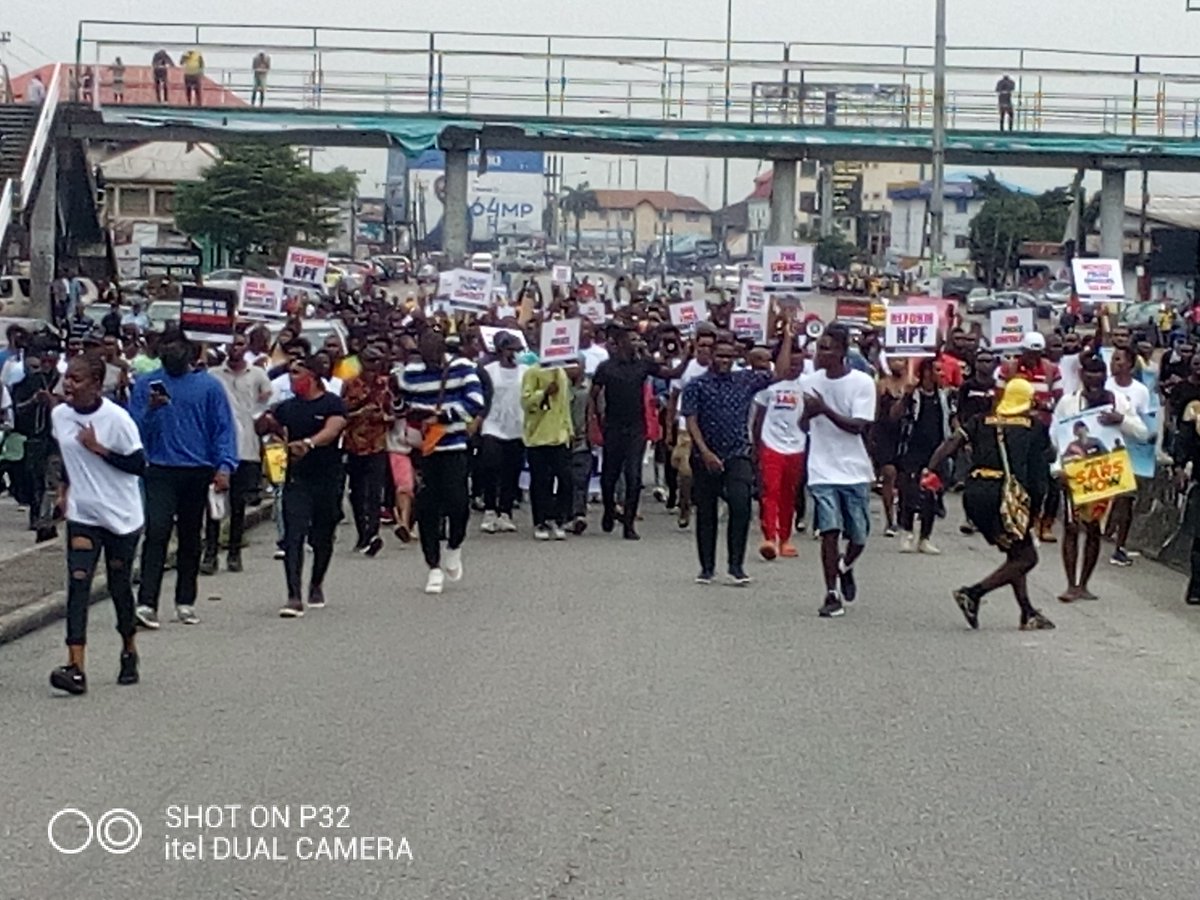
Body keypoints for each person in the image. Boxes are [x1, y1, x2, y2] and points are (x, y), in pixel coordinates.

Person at [48, 353, 146, 695]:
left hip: (121, 516)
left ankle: (129, 649)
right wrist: (63, 491)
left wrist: (98, 448)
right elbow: (67, 456)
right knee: (78, 584)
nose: (68, 385)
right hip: (83, 514)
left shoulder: (117, 419)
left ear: (96, 383)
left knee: (119, 586)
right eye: (67, 378)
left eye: (76, 379)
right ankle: (76, 667)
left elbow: (139, 464)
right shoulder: (60, 415)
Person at [926, 379, 1055, 631]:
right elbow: (1047, 456)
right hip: (1005, 498)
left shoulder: (981, 420)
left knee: (1016, 553)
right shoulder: (1033, 426)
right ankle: (973, 593)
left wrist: (929, 470)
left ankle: (1027, 612)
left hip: (975, 494)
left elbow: (951, 443)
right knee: (1027, 558)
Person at [129, 330, 237, 629]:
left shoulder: (209, 387)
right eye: (165, 348)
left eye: (176, 347)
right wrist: (151, 409)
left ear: (189, 352)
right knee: (157, 532)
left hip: (197, 470)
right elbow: (133, 429)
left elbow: (222, 428)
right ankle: (147, 603)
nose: (171, 353)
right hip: (159, 469)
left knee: (191, 536)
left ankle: (185, 601)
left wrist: (224, 466)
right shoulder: (145, 385)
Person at [683, 326, 792, 584]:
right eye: (720, 355)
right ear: (710, 356)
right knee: (707, 512)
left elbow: (780, 373)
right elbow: (691, 420)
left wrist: (787, 337)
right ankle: (707, 567)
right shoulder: (696, 385)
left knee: (741, 505)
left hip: (737, 453)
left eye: (729, 357)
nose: (724, 361)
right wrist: (705, 452)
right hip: (705, 455)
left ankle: (736, 566)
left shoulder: (744, 380)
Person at [395, 328, 485, 595]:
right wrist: (404, 406)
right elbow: (400, 404)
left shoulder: (463, 369)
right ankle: (433, 566)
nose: (429, 358)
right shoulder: (411, 373)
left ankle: (455, 546)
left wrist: (443, 417)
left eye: (433, 352)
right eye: (424, 353)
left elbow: (475, 403)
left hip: (453, 446)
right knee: (427, 510)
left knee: (458, 503)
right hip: (424, 451)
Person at [1051, 355, 1147, 602]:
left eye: (1099, 374)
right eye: (1089, 374)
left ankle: (1084, 584)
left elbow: (1142, 432)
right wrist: (1058, 468)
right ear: (1081, 375)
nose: (1094, 380)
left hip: (1103, 473)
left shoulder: (1118, 401)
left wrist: (1121, 419)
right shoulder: (1068, 403)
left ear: (1105, 376)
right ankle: (1071, 584)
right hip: (1074, 472)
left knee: (1094, 529)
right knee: (1071, 527)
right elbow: (1056, 435)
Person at [259, 356, 347, 617]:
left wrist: (309, 443)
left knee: (323, 535)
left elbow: (333, 429)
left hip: (327, 478)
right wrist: (265, 423)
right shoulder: (287, 407)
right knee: (293, 535)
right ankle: (293, 595)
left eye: (297, 373)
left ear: (313, 376)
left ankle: (316, 583)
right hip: (296, 479)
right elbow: (269, 427)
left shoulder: (332, 403)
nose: (292, 378)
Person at [800, 325, 877, 618]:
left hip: (853, 468)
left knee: (859, 535)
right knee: (829, 530)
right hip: (821, 468)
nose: (820, 354)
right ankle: (831, 594)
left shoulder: (861, 382)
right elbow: (803, 425)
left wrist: (824, 410)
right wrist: (807, 414)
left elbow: (858, 426)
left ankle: (845, 567)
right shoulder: (810, 382)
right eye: (818, 348)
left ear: (842, 352)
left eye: (827, 348)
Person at [202, 334, 272, 575]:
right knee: (214, 505)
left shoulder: (258, 375)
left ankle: (234, 553)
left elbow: (267, 404)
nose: (235, 348)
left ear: (246, 347)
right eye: (232, 344)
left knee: (238, 504)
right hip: (218, 448)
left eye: (240, 344)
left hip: (246, 446)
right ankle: (210, 553)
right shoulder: (213, 375)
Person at [997, 332, 1062, 542]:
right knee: (1015, 477)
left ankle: (1037, 521)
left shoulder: (1051, 370)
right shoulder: (1008, 369)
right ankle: (1012, 519)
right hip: (1014, 431)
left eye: (1038, 354)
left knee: (1041, 482)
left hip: (1041, 433)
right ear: (1022, 352)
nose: (1034, 358)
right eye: (1030, 353)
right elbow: (999, 399)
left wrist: (1043, 405)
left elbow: (1058, 401)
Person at [751, 335, 805, 561]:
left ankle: (785, 538)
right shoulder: (769, 386)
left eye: (799, 364)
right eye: (791, 364)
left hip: (797, 446)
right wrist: (756, 446)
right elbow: (759, 418)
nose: (795, 368)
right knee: (770, 492)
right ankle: (769, 537)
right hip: (771, 444)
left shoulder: (807, 385)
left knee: (789, 494)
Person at [896, 358, 953, 555]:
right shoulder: (914, 396)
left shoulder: (944, 397)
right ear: (926, 372)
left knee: (931, 496)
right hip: (913, 452)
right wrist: (906, 396)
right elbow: (895, 416)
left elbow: (951, 420)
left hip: (935, 454)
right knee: (910, 494)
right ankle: (907, 533)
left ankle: (925, 538)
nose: (941, 373)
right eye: (937, 370)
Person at [342, 346, 393, 557]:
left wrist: (383, 417)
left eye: (378, 361)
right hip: (354, 444)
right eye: (370, 361)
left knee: (374, 492)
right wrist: (361, 411)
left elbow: (396, 411)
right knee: (356, 492)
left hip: (378, 444)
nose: (374, 366)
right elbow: (341, 413)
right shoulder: (351, 384)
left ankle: (372, 534)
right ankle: (361, 532)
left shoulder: (387, 384)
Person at [1105, 345, 1152, 567]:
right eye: (1113, 359)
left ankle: (1120, 547)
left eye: (1119, 359)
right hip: (1103, 450)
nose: (1114, 363)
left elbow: (1146, 427)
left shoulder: (1141, 391)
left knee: (1125, 501)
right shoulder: (1104, 385)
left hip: (1129, 452)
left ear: (1131, 365)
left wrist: (1122, 420)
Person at [478, 333, 527, 534]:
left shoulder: (526, 371)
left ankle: (505, 512)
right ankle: (490, 509)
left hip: (517, 426)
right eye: (510, 349)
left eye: (516, 350)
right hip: (492, 424)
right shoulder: (488, 371)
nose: (513, 354)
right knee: (491, 466)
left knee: (511, 469)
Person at [522, 356, 573, 541]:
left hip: (560, 436)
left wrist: (569, 429)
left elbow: (564, 405)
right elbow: (526, 402)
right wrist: (543, 393)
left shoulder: (561, 373)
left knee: (566, 480)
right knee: (541, 481)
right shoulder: (532, 372)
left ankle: (559, 519)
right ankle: (540, 521)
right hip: (538, 436)